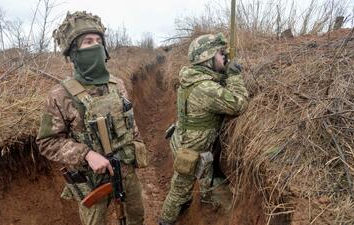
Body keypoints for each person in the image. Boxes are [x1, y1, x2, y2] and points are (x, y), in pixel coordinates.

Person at [36, 11, 146, 225]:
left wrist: (137, 147)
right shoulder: (60, 94)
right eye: (88, 41)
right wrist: (86, 154)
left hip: (126, 171)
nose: (95, 46)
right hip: (91, 178)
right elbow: (46, 142)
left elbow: (129, 123)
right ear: (74, 51)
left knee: (136, 217)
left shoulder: (117, 85)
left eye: (99, 41)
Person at [159, 33, 249, 225]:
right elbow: (239, 104)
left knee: (197, 177)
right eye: (221, 53)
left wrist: (223, 73)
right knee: (179, 189)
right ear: (207, 58)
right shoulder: (205, 88)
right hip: (192, 150)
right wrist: (234, 76)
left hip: (184, 140)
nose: (225, 57)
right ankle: (165, 221)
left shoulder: (192, 78)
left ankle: (205, 199)